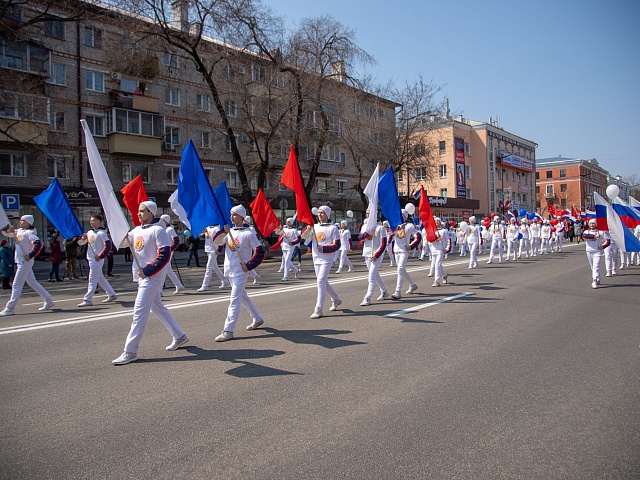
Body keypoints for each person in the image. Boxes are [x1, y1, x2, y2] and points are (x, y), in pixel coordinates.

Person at [112, 201, 189, 365]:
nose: (139, 214)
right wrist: (120, 233)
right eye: (138, 211)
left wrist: (148, 270)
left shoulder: (158, 230)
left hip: (152, 276)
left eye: (142, 211)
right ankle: (179, 336)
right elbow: (123, 244)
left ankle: (130, 351)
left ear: (151, 213)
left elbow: (164, 255)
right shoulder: (136, 230)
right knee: (158, 307)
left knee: (139, 312)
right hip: (141, 276)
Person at [212, 205, 265, 342]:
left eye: (234, 215)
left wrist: (250, 265)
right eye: (231, 214)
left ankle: (228, 330)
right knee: (242, 296)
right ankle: (258, 318)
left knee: (234, 299)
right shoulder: (229, 232)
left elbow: (260, 251)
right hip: (229, 269)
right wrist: (223, 232)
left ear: (242, 216)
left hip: (241, 271)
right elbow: (217, 242)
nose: (231, 217)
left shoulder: (248, 233)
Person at [0, 215, 55, 316]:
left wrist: (30, 255)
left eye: (22, 220)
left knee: (16, 284)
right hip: (21, 261)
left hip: (25, 262)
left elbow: (38, 244)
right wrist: (8, 229)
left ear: (28, 222)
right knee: (32, 282)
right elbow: (5, 233)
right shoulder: (19, 231)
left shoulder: (30, 233)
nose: (20, 222)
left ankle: (10, 308)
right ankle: (48, 300)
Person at [303, 205, 342, 319]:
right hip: (316, 257)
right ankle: (336, 299)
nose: (320, 214)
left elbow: (337, 245)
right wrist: (308, 229)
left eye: (322, 213)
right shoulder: (314, 226)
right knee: (323, 281)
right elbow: (304, 238)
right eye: (319, 212)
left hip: (327, 258)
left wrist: (324, 249)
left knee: (320, 281)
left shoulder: (333, 228)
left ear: (327, 214)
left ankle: (318, 309)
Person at [77, 214, 117, 307]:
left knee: (92, 278)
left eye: (93, 220)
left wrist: (101, 255)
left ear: (99, 222)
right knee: (100, 278)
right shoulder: (90, 233)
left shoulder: (101, 233)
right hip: (90, 258)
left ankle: (87, 299)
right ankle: (111, 294)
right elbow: (80, 243)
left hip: (97, 260)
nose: (91, 222)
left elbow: (108, 245)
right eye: (91, 221)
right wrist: (83, 238)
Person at [358, 213, 390, 306]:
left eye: (370, 213)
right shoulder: (364, 226)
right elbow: (360, 238)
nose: (368, 215)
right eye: (367, 213)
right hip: (367, 253)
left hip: (376, 254)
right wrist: (367, 233)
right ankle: (384, 291)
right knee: (375, 274)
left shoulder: (380, 228)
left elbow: (383, 244)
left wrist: (377, 254)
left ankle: (367, 297)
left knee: (371, 276)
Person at [391, 209, 420, 299]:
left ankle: (398, 291)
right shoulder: (395, 226)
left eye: (402, 215)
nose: (400, 217)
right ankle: (412, 285)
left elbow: (418, 236)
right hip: (396, 250)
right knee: (402, 270)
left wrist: (411, 246)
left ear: (405, 216)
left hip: (404, 250)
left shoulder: (410, 226)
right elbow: (390, 236)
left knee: (400, 269)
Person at [159, 214, 185, 294]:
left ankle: (159, 290)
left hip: (168, 252)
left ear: (165, 220)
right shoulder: (163, 229)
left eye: (162, 220)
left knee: (163, 270)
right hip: (165, 251)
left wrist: (170, 249)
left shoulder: (170, 229)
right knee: (168, 270)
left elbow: (176, 240)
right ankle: (179, 285)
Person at [198, 224, 228, 291]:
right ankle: (224, 280)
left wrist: (219, 249)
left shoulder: (217, 229)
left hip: (214, 250)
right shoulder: (208, 228)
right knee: (215, 266)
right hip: (208, 248)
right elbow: (205, 236)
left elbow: (221, 239)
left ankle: (205, 285)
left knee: (209, 267)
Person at [582, 218, 610, 289]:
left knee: (596, 267)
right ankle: (598, 278)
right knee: (592, 266)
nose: (592, 225)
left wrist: (603, 246)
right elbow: (584, 236)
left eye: (593, 223)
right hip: (589, 251)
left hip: (597, 252)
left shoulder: (600, 232)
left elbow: (608, 240)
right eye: (590, 223)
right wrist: (594, 236)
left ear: (596, 224)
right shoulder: (586, 231)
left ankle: (594, 281)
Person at [429, 217, 451, 287]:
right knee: (437, 265)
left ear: (440, 222)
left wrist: (447, 249)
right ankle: (444, 275)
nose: (436, 222)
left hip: (441, 250)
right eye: (435, 221)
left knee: (438, 264)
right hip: (434, 249)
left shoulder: (444, 231)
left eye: (438, 221)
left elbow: (448, 240)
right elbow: (430, 240)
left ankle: (437, 281)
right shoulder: (432, 230)